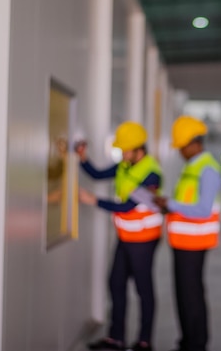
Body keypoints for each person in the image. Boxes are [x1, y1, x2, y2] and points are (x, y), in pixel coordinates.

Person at [77, 122, 162, 351]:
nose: (122, 154)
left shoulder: (151, 174)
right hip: (126, 237)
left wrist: (92, 200)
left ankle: (144, 341)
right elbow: (97, 174)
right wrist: (83, 158)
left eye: (125, 149)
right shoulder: (125, 165)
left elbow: (127, 207)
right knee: (115, 284)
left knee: (143, 289)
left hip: (144, 239)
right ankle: (116, 339)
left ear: (138, 149)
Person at [153, 115, 221, 351]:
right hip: (183, 241)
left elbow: (203, 209)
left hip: (195, 242)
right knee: (183, 295)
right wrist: (168, 205)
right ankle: (187, 342)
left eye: (182, 146)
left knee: (191, 296)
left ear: (195, 142)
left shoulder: (207, 169)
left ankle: (196, 344)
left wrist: (171, 204)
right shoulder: (192, 166)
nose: (180, 151)